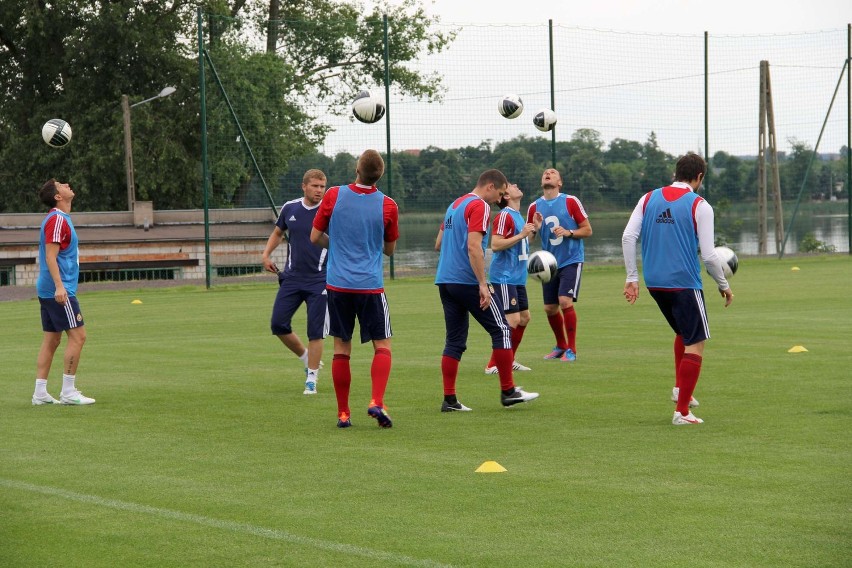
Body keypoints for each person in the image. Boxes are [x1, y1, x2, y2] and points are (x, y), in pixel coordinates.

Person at [621, 152, 734, 425]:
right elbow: (708, 256)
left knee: (683, 333)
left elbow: (628, 236)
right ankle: (682, 412)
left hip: (654, 283)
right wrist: (724, 284)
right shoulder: (700, 205)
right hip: (684, 283)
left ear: (675, 172)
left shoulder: (647, 198)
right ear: (699, 177)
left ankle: (679, 390)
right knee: (696, 342)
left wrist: (632, 277)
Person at [435, 169, 539, 412]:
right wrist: (483, 283)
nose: (499, 199)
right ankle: (508, 391)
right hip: (467, 281)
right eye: (500, 193)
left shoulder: (454, 205)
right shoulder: (480, 206)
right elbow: (474, 247)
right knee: (502, 329)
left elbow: (438, 243)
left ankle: (449, 400)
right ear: (490, 186)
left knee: (454, 341)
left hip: (445, 280)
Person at [310, 150, 399, 429]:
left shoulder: (334, 195)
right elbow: (389, 250)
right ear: (379, 175)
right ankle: (376, 401)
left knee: (341, 348)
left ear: (356, 170)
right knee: (382, 345)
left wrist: (337, 246)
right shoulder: (388, 205)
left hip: (338, 285)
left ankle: (343, 414)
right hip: (370, 286)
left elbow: (315, 237)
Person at [261, 169, 329, 395]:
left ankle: (312, 379)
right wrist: (266, 255)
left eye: (322, 186)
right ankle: (306, 357)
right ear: (304, 186)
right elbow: (278, 232)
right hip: (291, 279)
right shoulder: (290, 208)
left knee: (315, 332)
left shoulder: (329, 211)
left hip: (320, 280)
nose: (319, 190)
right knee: (278, 324)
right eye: (315, 186)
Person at [32, 179, 95, 406]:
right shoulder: (57, 218)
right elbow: (50, 256)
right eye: (60, 184)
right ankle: (68, 392)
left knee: (52, 339)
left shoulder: (60, 218)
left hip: (50, 289)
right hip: (59, 290)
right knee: (79, 337)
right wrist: (60, 287)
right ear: (57, 196)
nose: (67, 184)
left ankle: (40, 394)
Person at [527, 168, 592, 362]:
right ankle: (560, 346)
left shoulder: (570, 201)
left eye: (553, 173)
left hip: (571, 260)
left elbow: (587, 230)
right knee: (549, 308)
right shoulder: (534, 207)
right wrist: (535, 229)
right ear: (542, 182)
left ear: (560, 182)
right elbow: (528, 240)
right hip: (549, 265)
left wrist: (569, 232)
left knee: (565, 301)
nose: (548, 174)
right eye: (545, 173)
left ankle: (571, 350)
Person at [483, 183, 536, 375]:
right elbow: (496, 244)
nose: (515, 186)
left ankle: (509, 359)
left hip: (517, 277)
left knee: (524, 318)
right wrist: (522, 234)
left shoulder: (517, 216)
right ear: (505, 195)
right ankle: (492, 364)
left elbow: (523, 243)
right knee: (511, 320)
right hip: (504, 277)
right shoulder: (504, 215)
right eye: (511, 186)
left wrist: (533, 231)